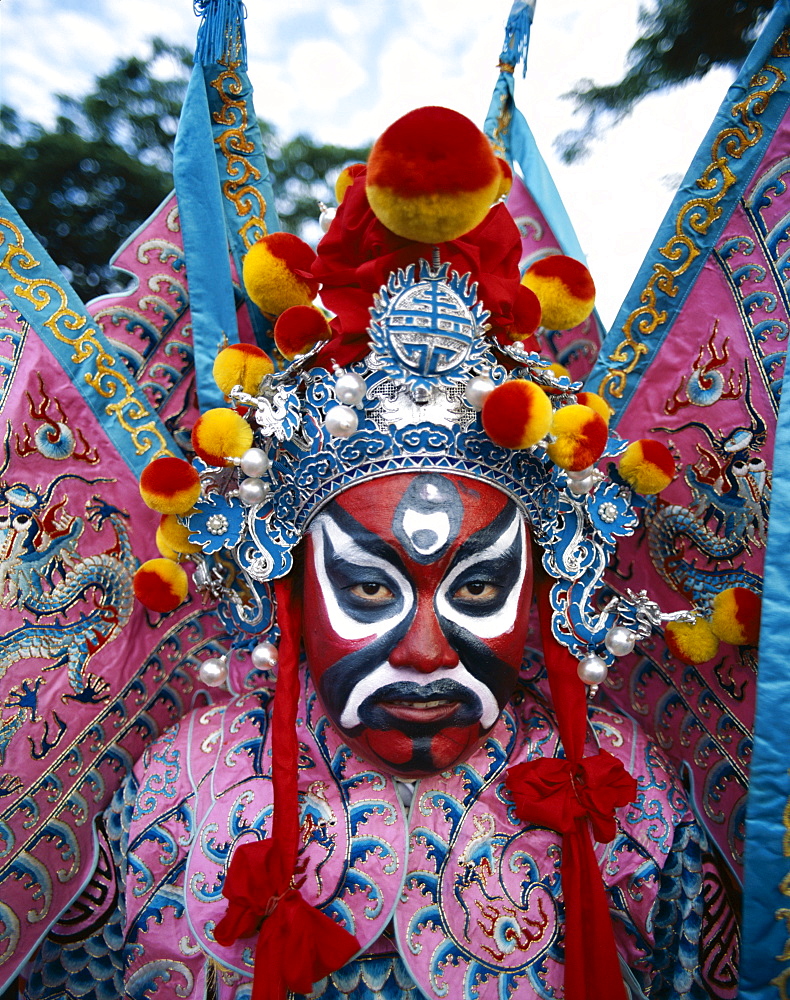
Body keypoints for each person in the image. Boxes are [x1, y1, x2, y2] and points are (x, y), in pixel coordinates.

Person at [24, 106, 711, 1000]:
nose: (426, 652)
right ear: (285, 581)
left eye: (478, 588)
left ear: (549, 588)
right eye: (365, 585)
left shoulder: (638, 806)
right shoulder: (168, 794)